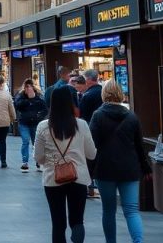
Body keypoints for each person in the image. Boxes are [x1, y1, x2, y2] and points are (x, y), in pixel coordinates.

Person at [35, 80, 97, 243]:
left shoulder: (43, 127)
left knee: (58, 222)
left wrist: (50, 161)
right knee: (77, 220)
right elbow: (91, 154)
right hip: (79, 178)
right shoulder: (82, 125)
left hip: (52, 178)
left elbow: (38, 157)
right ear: (71, 103)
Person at [89, 80, 150, 243]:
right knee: (131, 210)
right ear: (120, 95)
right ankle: (138, 241)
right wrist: (146, 168)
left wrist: (89, 171)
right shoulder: (131, 116)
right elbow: (139, 145)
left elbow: (91, 146)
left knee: (108, 210)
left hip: (105, 169)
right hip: (129, 169)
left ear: (104, 95)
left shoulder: (98, 115)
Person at [15, 78, 48, 172]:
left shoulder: (39, 96)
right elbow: (17, 106)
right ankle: (25, 162)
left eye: (30, 86)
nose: (28, 89)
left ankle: (39, 162)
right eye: (26, 87)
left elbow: (45, 109)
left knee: (36, 143)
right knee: (25, 141)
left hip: (35, 123)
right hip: (24, 122)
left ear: (33, 87)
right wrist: (28, 100)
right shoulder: (21, 96)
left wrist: (39, 116)